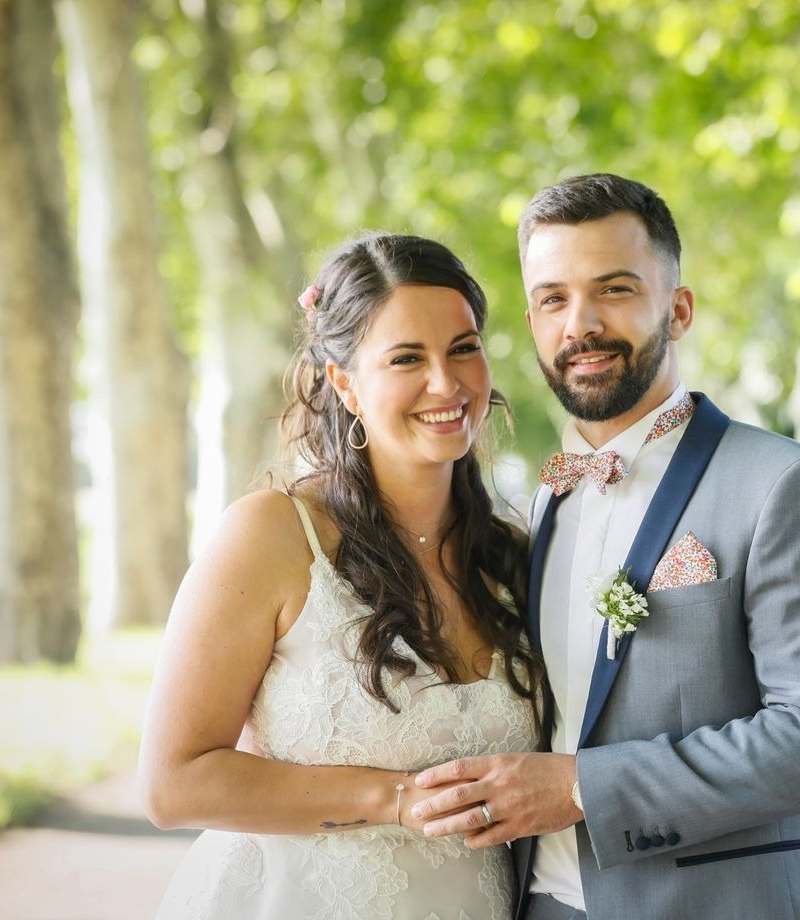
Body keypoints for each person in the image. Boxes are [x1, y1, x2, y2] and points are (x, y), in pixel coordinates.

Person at [410, 174, 800, 919]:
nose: (581, 325)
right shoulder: (545, 504)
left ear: (679, 308)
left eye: (616, 290)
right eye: (553, 299)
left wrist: (574, 787)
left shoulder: (787, 485)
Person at [140, 234, 542, 920]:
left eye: (463, 348)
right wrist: (391, 800)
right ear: (346, 384)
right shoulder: (272, 534)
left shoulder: (512, 557)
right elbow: (174, 782)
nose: (446, 383)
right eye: (407, 358)